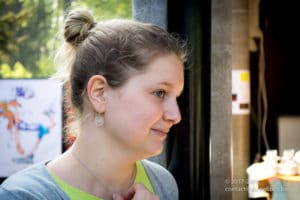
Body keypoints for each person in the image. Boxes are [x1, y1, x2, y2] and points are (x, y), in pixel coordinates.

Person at [0, 7, 187, 200]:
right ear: (99, 93)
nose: (175, 115)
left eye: (176, 96)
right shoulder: (23, 195)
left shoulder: (163, 184)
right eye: (160, 93)